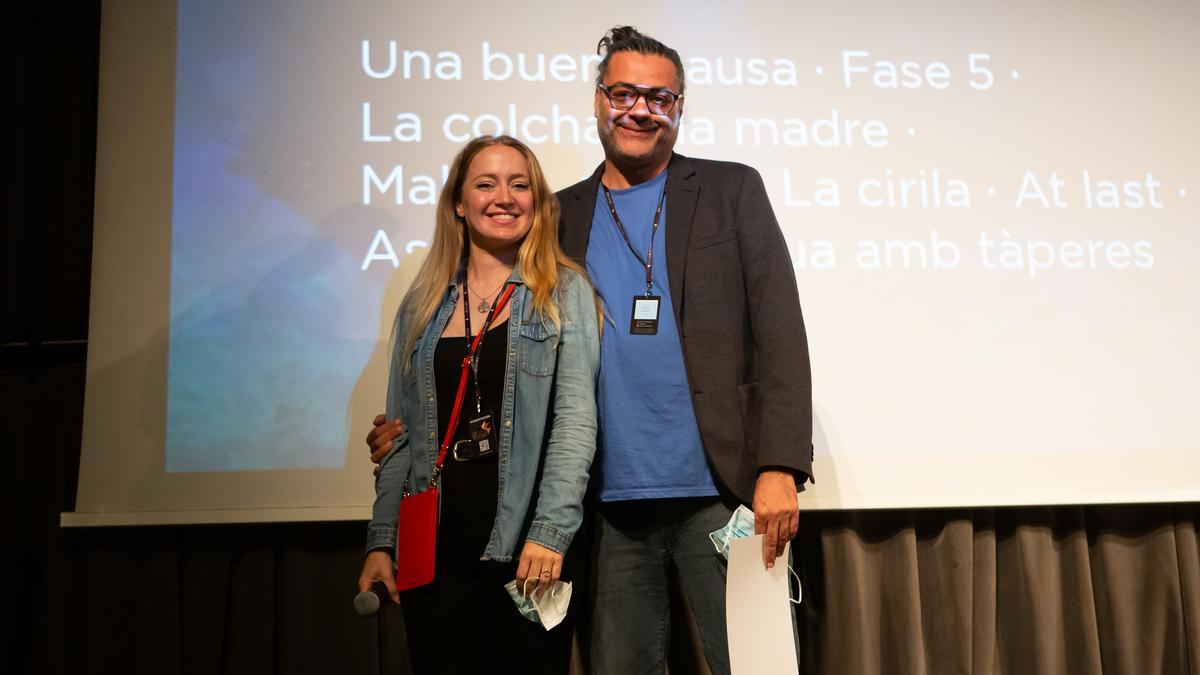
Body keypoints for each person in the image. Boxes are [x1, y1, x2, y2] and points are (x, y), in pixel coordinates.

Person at [368, 27, 813, 675]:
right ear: (599, 101)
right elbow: (498, 343)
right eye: (624, 92)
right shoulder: (554, 215)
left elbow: (780, 334)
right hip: (604, 512)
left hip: (725, 493)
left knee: (757, 666)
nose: (640, 108)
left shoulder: (731, 189)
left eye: (660, 97)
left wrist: (779, 465)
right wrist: (408, 426)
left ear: (681, 107)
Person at [358, 135, 600, 674]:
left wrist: (550, 530)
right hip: (433, 545)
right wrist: (383, 541)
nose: (504, 197)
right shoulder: (421, 304)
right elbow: (399, 438)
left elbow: (575, 424)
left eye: (520, 185)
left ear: (537, 202)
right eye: (485, 184)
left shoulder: (563, 292)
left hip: (526, 545)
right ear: (458, 205)